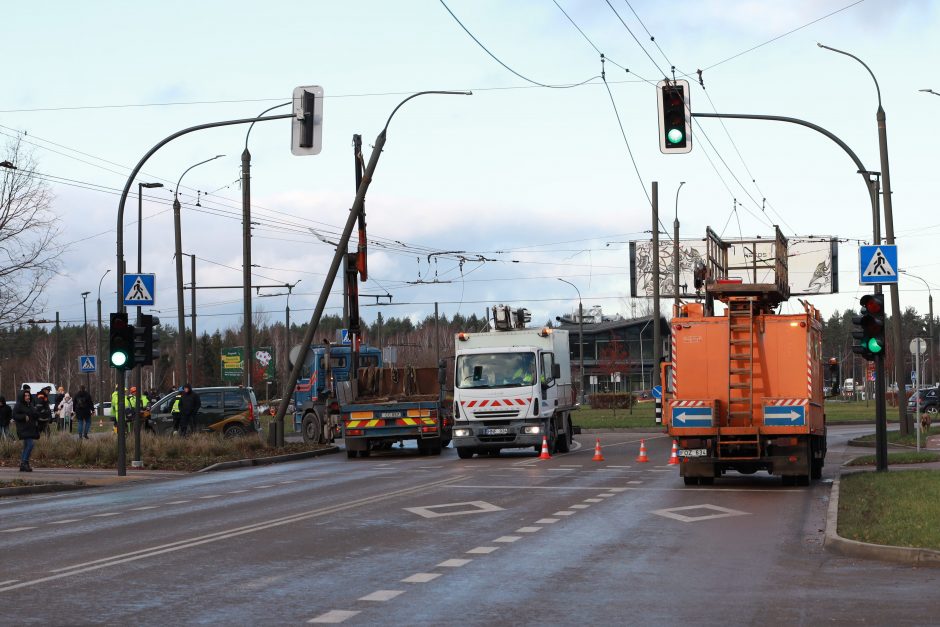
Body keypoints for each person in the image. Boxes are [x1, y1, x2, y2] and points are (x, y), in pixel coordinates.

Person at [12, 389, 39, 471]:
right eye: (26, 396)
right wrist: (23, 417)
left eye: (28, 395)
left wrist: (37, 414)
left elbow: (34, 414)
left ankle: (23, 465)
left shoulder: (30, 404)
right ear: (22, 397)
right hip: (23, 429)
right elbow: (14, 415)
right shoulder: (18, 405)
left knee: (26, 446)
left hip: (30, 429)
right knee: (30, 444)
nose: (27, 397)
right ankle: (24, 462)